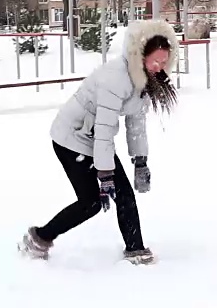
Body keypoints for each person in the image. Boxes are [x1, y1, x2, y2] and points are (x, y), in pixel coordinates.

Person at [17, 19, 179, 265]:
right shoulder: (116, 78)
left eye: (164, 61)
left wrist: (141, 161)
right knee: (91, 202)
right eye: (155, 60)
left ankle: (135, 249)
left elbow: (136, 124)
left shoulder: (143, 79)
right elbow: (104, 129)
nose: (160, 67)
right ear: (140, 55)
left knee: (123, 195)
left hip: (93, 138)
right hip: (71, 138)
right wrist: (105, 173)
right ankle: (39, 238)